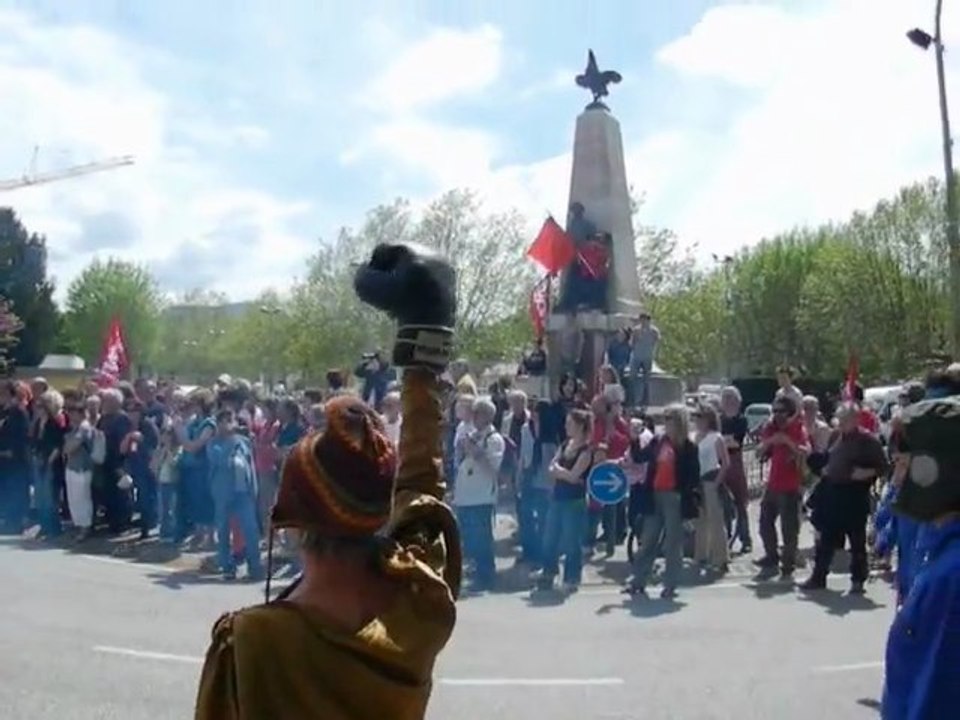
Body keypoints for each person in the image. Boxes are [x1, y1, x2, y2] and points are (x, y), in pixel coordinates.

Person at [194, 242, 462, 720]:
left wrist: (422, 360)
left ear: (293, 524)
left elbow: (419, 490)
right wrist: (426, 346)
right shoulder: (419, 601)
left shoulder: (250, 643)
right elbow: (423, 493)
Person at [882, 395, 960, 718]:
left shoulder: (952, 575)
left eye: (904, 465)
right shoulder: (940, 549)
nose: (898, 479)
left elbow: (935, 691)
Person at [800, 403, 888, 594]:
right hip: (833, 492)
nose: (842, 423)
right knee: (825, 539)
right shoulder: (836, 436)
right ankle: (819, 576)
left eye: (846, 419)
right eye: (840, 419)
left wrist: (866, 472)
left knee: (856, 541)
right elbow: (827, 457)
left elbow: (883, 466)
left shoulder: (868, 440)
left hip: (855, 494)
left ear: (856, 419)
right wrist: (818, 463)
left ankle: (858, 580)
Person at [625, 404, 700, 600]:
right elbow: (640, 457)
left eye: (669, 419)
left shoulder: (688, 447)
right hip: (655, 494)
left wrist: (691, 504)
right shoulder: (658, 441)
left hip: (675, 497)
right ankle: (638, 580)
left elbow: (693, 477)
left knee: (673, 544)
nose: (665, 423)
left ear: (679, 422)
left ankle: (670, 584)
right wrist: (634, 440)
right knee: (648, 539)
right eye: (664, 418)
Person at [755, 395, 810, 579]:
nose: (777, 415)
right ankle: (771, 555)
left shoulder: (797, 429)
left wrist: (786, 440)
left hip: (790, 485)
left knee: (789, 528)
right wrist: (771, 441)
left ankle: (788, 563)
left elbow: (804, 450)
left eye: (781, 411)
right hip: (772, 483)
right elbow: (759, 451)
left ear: (791, 412)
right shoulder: (771, 428)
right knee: (764, 522)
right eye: (775, 411)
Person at [629, 312, 660, 409]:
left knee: (646, 379)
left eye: (645, 320)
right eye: (641, 319)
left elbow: (657, 342)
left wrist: (655, 353)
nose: (643, 322)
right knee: (633, 377)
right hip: (637, 356)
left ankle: (645, 400)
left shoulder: (654, 331)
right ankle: (634, 399)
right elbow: (631, 343)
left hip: (647, 356)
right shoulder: (636, 330)